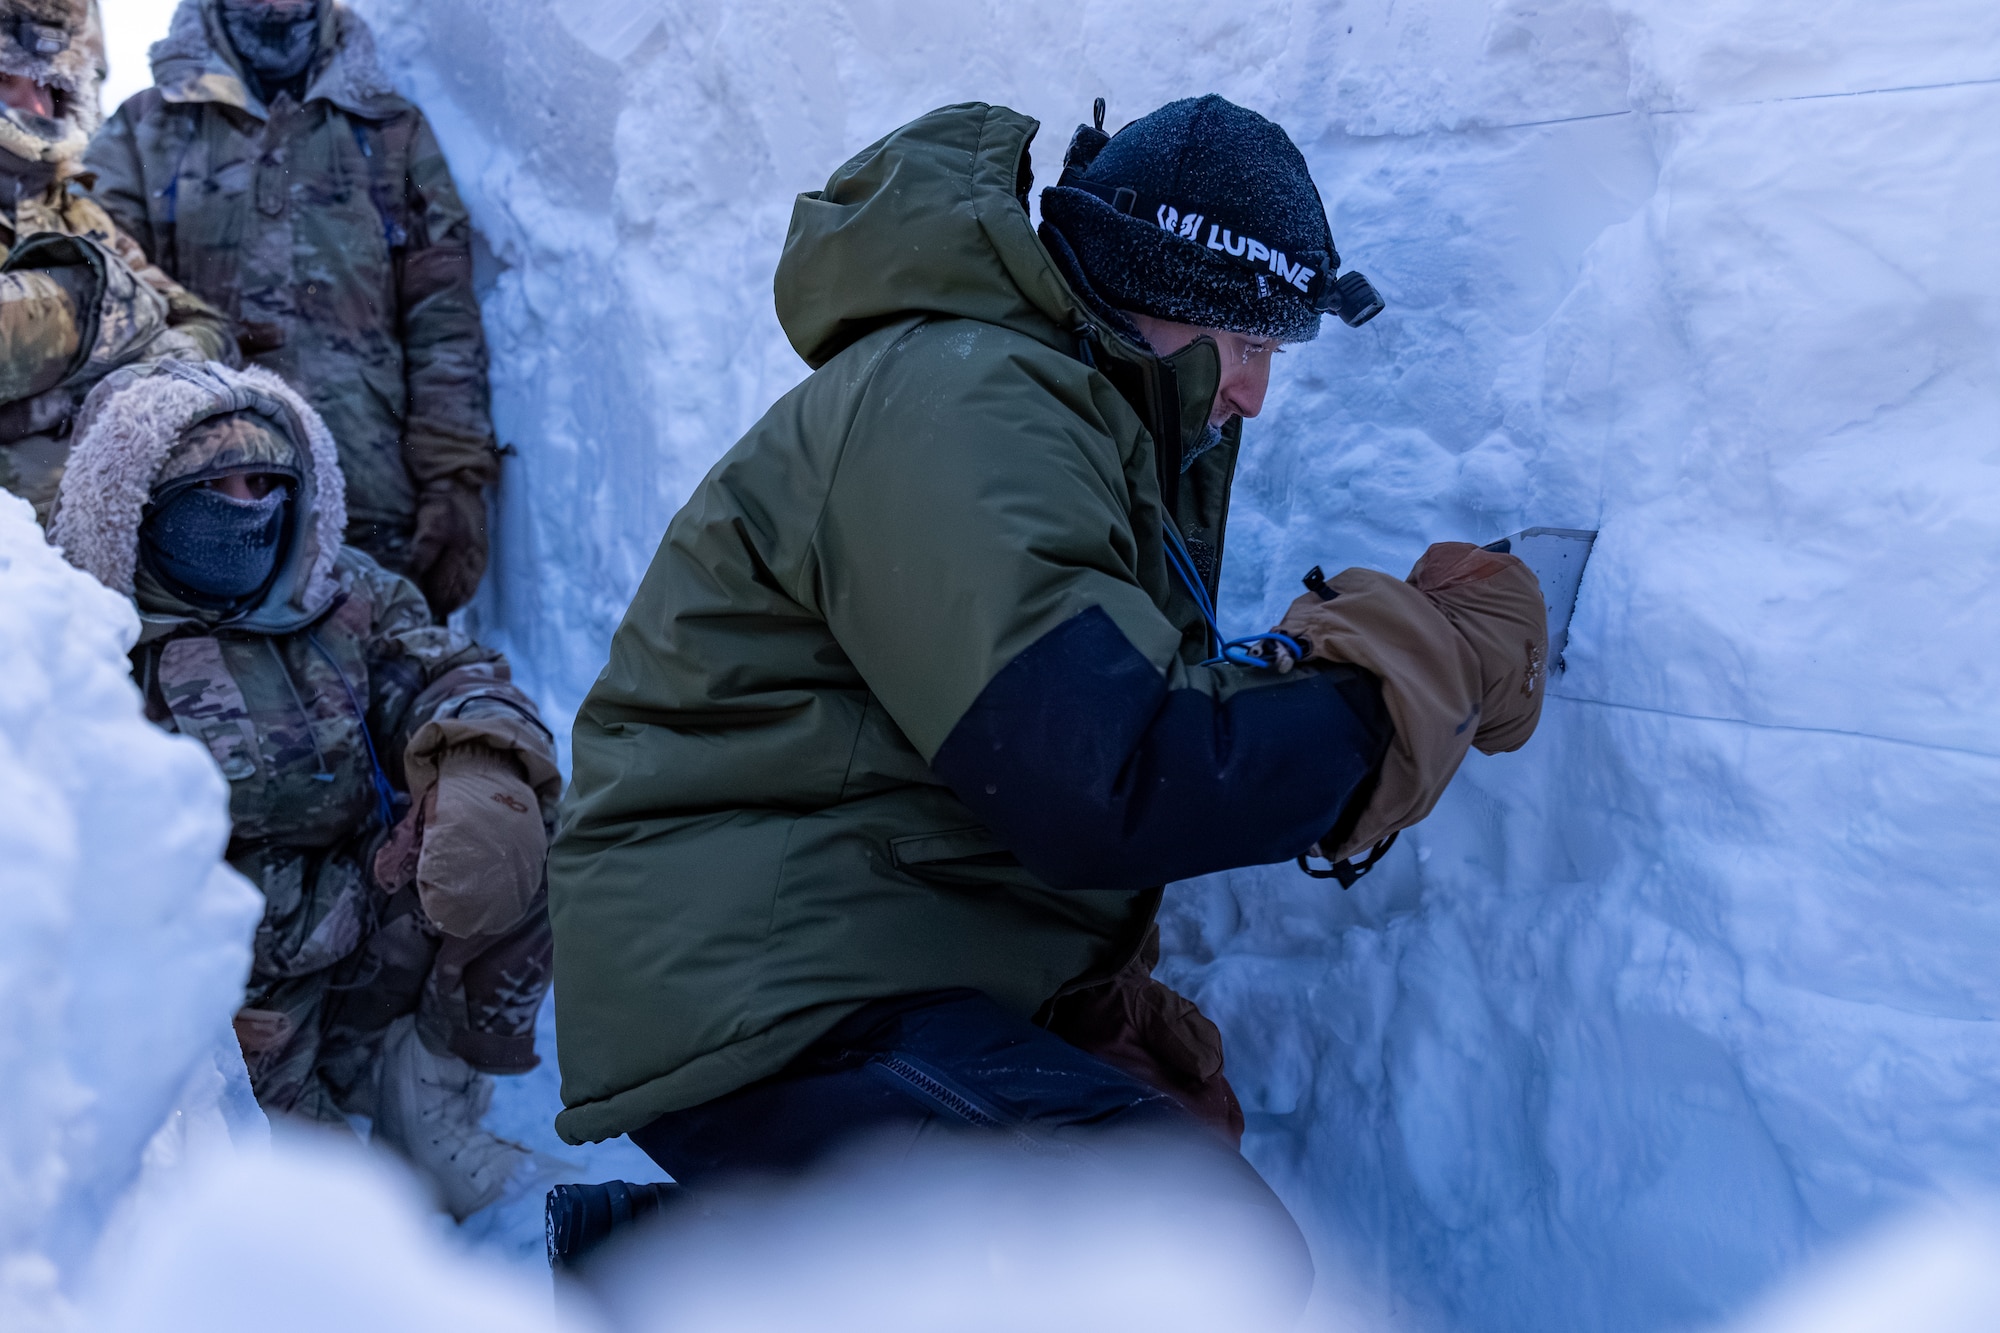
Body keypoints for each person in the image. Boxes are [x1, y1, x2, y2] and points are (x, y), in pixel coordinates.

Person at [546, 98, 1548, 1280]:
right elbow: (1106, 775)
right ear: (1158, 287)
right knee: (1179, 1262)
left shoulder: (1055, 411)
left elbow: (1092, 705)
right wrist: (1413, 674)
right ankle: (682, 1287)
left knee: (1159, 1184)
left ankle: (702, 1263)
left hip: (869, 950)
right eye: (1250, 345)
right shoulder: (964, 404)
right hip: (765, 989)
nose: (1252, 396)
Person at [52, 359, 558, 1219]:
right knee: (316, 1233)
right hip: (215, 1004)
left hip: (366, 922)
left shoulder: (335, 587)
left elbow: (447, 670)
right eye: (217, 487)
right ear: (137, 500)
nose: (249, 507)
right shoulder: (77, 640)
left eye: (267, 483)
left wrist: (478, 762)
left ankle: (423, 1100)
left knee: (509, 821)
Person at [85, 0, 500, 617]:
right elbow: (107, 322)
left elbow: (442, 319)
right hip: (205, 515)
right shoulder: (142, 132)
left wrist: (454, 476)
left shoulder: (392, 131)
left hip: (374, 507)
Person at [0, 0, 234, 521]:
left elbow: (204, 328)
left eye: (50, 87)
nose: (36, 109)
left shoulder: (75, 210)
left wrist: (110, 387)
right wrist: (85, 304)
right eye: (8, 79)